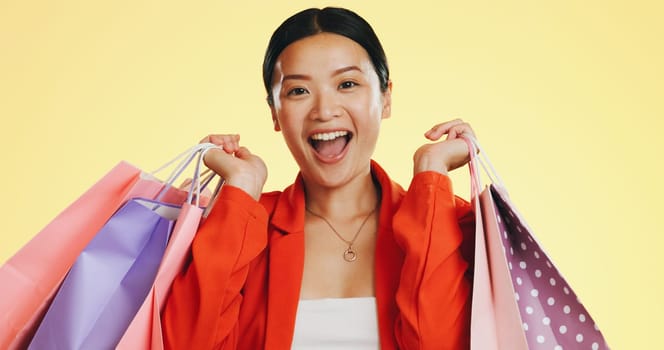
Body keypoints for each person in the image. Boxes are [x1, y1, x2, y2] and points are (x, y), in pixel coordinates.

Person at [162, 7, 477, 350]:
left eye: (347, 84)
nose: (324, 111)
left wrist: (431, 176)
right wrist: (241, 187)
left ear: (385, 98)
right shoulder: (236, 228)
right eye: (298, 91)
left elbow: (441, 342)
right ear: (274, 112)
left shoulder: (450, 225)